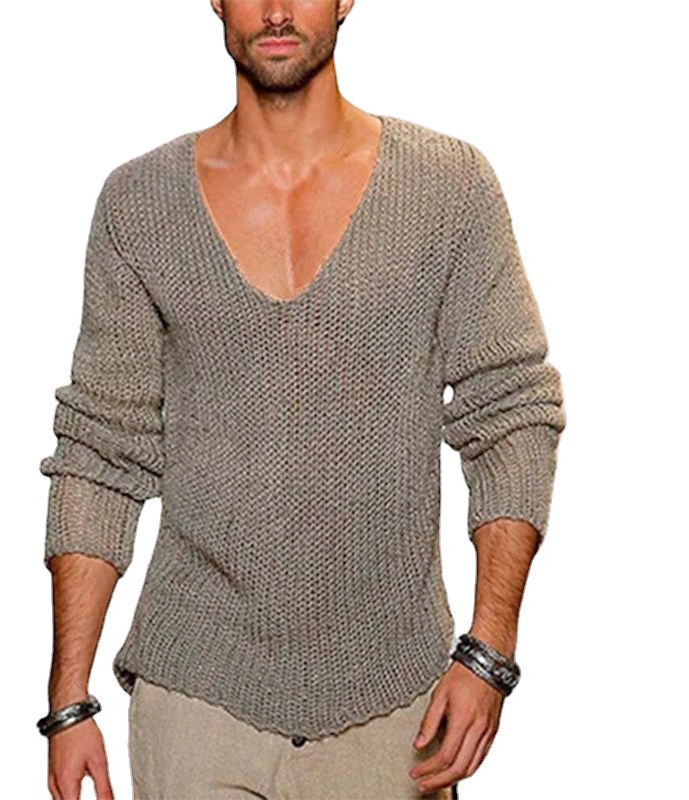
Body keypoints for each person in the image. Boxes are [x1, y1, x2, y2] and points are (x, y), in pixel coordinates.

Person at [36, 1, 566, 798]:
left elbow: (512, 410)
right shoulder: (139, 203)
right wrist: (68, 701)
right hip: (196, 695)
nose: (278, 10)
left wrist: (489, 652)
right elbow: (101, 450)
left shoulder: (448, 188)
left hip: (395, 698)